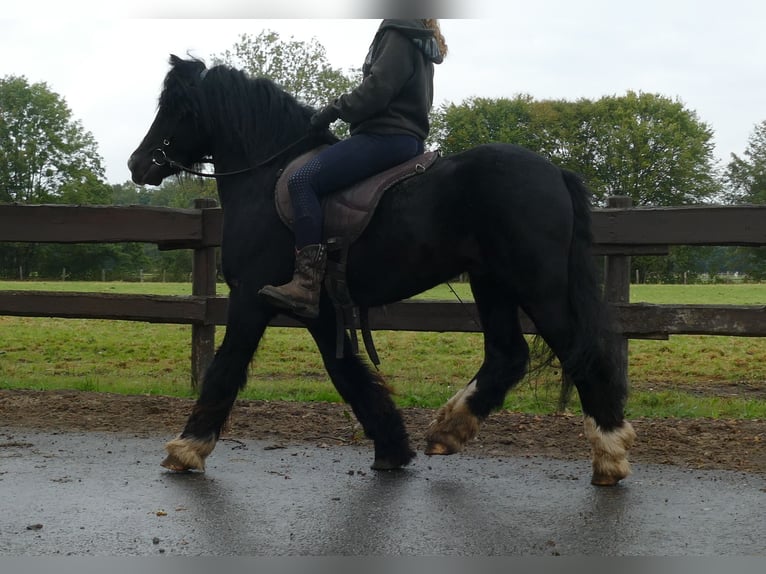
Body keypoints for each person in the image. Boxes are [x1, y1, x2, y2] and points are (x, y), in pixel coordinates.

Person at [258, 19, 447, 319]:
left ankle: (306, 283)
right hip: (407, 139)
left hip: (384, 137)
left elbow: (377, 89)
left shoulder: (398, 30)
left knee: (302, 180)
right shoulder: (421, 37)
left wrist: (334, 109)